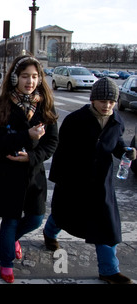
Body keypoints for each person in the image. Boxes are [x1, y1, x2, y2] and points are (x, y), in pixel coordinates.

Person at [43, 77, 137, 284]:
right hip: (74, 180)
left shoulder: (117, 120)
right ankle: (49, 234)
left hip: (101, 183)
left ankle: (109, 270)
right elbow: (62, 151)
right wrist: (60, 179)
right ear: (93, 100)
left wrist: (126, 152)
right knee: (63, 214)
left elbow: (117, 142)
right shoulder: (75, 119)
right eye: (103, 101)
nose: (107, 105)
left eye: (111, 101)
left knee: (107, 227)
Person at [0, 55, 59, 283]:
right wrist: (26, 136)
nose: (30, 81)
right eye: (25, 76)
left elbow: (52, 142)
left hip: (33, 173)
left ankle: (13, 238)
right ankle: (6, 263)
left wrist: (32, 156)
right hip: (8, 173)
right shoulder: (2, 104)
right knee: (10, 220)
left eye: (34, 76)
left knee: (35, 219)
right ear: (15, 78)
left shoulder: (45, 105)